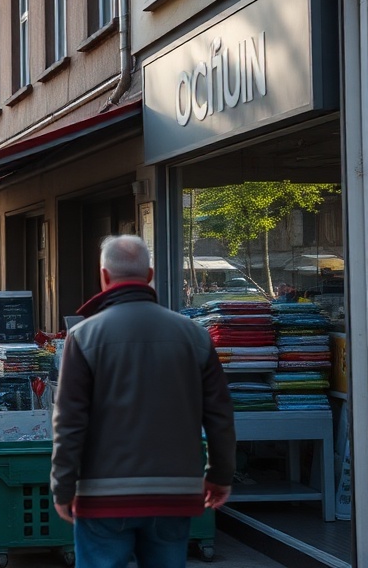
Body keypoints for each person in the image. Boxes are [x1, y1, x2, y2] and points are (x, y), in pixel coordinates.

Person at [50, 235, 236, 568]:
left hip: (102, 495)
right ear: (149, 275)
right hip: (174, 493)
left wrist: (63, 486)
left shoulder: (84, 336)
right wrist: (220, 475)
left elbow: (70, 422)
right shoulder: (194, 336)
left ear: (104, 275)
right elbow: (220, 414)